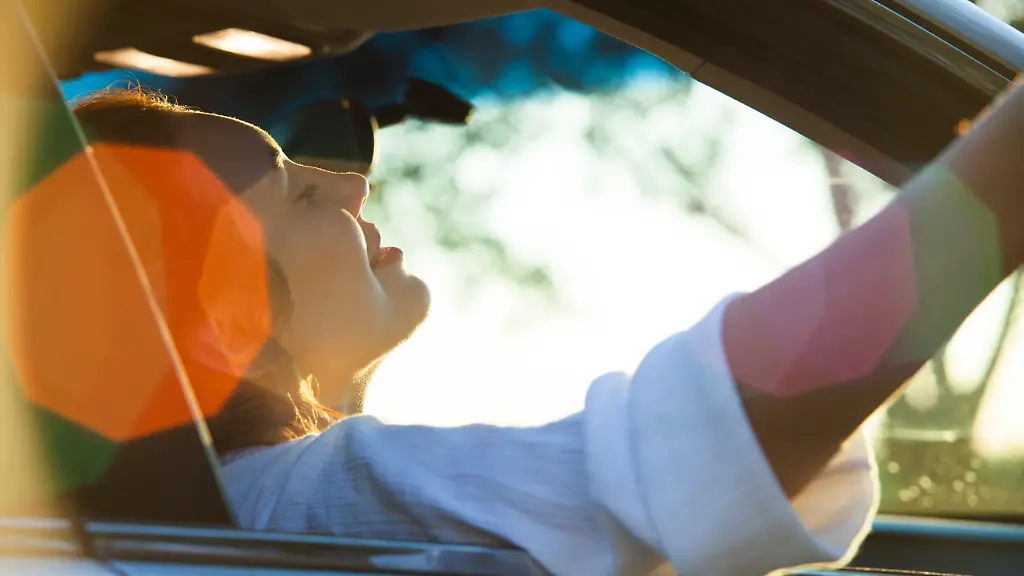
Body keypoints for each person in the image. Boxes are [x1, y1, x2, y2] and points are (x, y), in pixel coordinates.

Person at [50, 75, 1024, 576]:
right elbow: (709, 444)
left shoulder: (227, 506)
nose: (353, 182)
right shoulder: (307, 507)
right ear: (220, 321)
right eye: (302, 196)